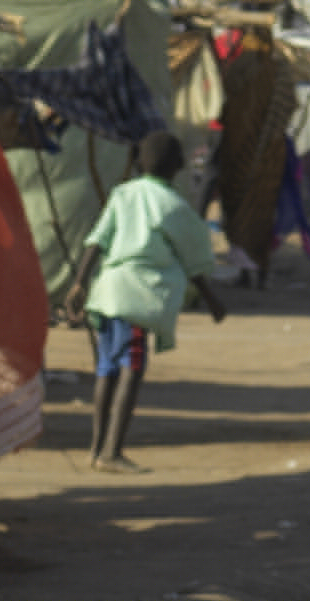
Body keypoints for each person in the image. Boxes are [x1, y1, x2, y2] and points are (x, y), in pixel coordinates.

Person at [63, 161, 230, 458]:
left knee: (107, 370)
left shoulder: (122, 194)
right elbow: (191, 257)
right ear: (174, 166)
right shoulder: (173, 204)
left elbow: (97, 241)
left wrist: (79, 283)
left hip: (109, 293)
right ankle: (112, 453)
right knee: (132, 370)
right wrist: (211, 299)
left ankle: (96, 447)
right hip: (138, 298)